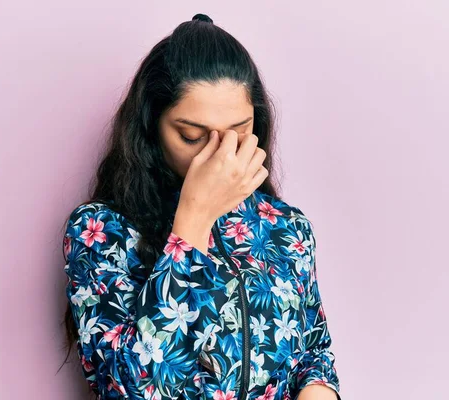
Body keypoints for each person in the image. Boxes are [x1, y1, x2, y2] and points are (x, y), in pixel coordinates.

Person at [60, 13, 341, 400]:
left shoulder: (287, 228)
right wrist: (195, 217)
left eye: (239, 132)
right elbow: (133, 386)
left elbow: (313, 351)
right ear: (151, 126)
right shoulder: (99, 231)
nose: (221, 153)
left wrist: (318, 390)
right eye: (192, 136)